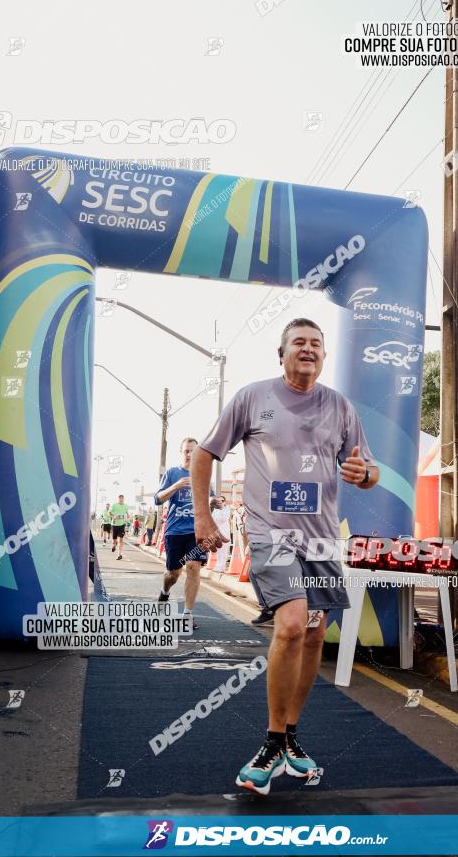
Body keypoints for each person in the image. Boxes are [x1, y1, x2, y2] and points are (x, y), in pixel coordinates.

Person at [191, 318, 379, 795]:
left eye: (316, 344)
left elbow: (367, 469)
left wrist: (363, 473)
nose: (308, 349)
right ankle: (272, 742)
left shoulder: (339, 407)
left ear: (323, 355)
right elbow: (205, 454)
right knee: (293, 623)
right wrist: (203, 517)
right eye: (299, 342)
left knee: (315, 635)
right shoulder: (253, 397)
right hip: (272, 533)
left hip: (321, 538)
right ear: (282, 353)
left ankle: (290, 736)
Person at [154, 438, 215, 628]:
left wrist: (215, 501)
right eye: (186, 451)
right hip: (174, 531)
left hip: (197, 531)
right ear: (181, 452)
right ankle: (164, 592)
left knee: (193, 567)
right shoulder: (173, 473)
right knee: (173, 573)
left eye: (193, 451)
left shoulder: (202, 474)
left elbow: (210, 497)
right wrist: (176, 486)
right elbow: (157, 499)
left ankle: (187, 614)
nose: (190, 455)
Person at [211, 495, 231, 572]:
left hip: (224, 533)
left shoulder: (227, 509)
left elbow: (223, 519)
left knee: (223, 551)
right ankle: (218, 566)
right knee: (219, 551)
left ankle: (221, 567)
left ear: (224, 502)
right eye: (218, 501)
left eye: (222, 501)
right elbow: (213, 520)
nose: (220, 502)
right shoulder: (215, 510)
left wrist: (221, 509)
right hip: (216, 533)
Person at [109, 494, 128, 561]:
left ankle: (119, 554)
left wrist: (127, 516)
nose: (121, 500)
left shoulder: (126, 506)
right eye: (119, 499)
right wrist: (113, 516)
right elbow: (109, 513)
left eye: (122, 498)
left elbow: (127, 514)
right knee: (114, 539)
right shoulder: (114, 505)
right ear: (118, 499)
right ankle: (114, 545)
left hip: (122, 525)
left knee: (121, 540)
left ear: (123, 499)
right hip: (114, 524)